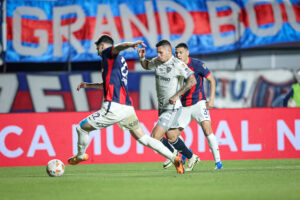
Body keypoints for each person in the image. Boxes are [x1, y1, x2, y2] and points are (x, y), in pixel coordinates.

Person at [68, 35, 184, 174]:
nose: (98, 51)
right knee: (144, 139)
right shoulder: (118, 61)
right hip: (127, 109)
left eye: (98, 48)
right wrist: (88, 85)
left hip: (113, 107)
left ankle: (80, 155)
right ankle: (174, 158)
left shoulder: (108, 53)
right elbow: (108, 84)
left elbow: (117, 47)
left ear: (102, 46)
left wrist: (131, 44)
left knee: (81, 128)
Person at [138, 40, 200, 172]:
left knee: (154, 137)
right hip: (162, 106)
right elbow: (146, 66)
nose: (158, 55)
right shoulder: (157, 61)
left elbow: (192, 80)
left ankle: (174, 157)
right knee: (171, 137)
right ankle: (192, 157)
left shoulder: (177, 64)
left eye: (161, 52)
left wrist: (177, 95)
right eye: (157, 52)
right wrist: (142, 58)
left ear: (169, 51)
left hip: (172, 108)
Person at [161, 42, 223, 170]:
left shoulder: (198, 65)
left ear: (187, 53)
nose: (178, 55)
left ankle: (218, 163)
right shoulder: (174, 67)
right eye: (176, 53)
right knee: (172, 135)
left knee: (207, 130)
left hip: (199, 103)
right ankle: (185, 154)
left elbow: (212, 80)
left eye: (180, 52)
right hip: (183, 106)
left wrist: (211, 100)